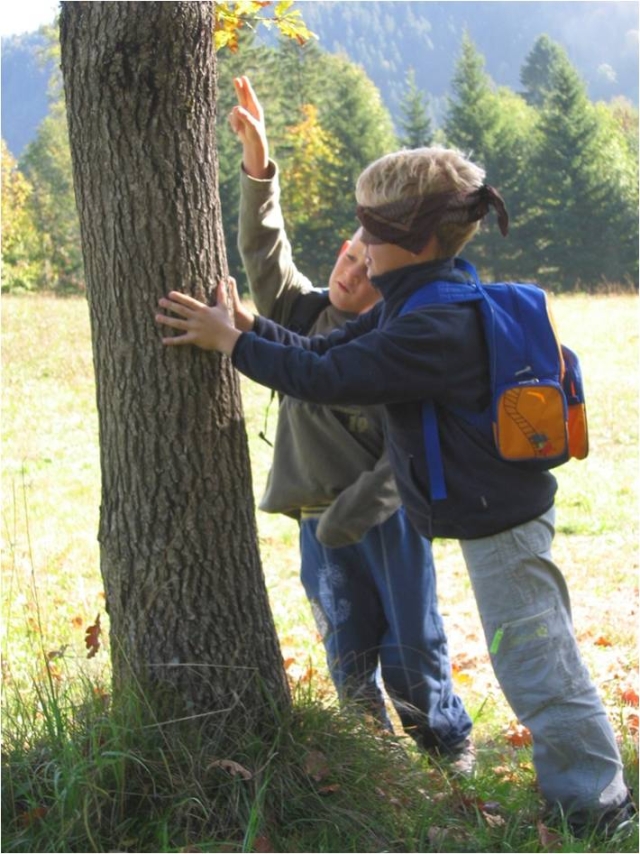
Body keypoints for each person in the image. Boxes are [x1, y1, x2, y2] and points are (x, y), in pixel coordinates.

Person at [156, 145, 635, 836]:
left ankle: (601, 808)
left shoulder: (430, 324)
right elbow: (325, 351)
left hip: (501, 523)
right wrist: (252, 328)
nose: (359, 245)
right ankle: (585, 795)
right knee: (532, 657)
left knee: (537, 665)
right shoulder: (423, 297)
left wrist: (232, 347)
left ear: (408, 241)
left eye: (371, 232)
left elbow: (330, 379)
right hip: (491, 514)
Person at [224, 76, 473, 767]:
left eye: (367, 265)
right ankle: (373, 766)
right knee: (345, 645)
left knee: (411, 650)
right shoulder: (303, 315)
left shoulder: (395, 343)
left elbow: (406, 458)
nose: (351, 272)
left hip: (385, 521)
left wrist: (352, 514)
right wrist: (257, 163)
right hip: (315, 521)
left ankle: (447, 754)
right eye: (346, 254)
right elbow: (264, 252)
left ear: (390, 273)